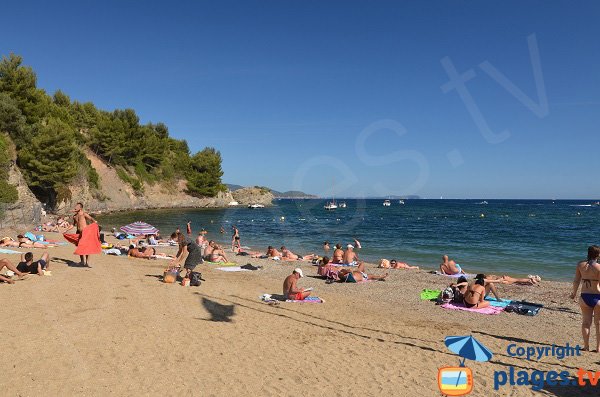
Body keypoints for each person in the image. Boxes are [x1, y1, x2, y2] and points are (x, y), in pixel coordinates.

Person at [570, 245, 600, 352]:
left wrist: (573, 293)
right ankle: (598, 348)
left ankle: (586, 346)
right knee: (598, 323)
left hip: (584, 296)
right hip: (597, 296)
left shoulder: (580, 265)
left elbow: (576, 281)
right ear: (598, 254)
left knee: (586, 323)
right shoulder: (599, 267)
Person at [64, 202, 101, 267]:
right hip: (78, 232)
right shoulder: (75, 216)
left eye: (77, 206)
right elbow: (73, 225)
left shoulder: (84, 214)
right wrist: (66, 230)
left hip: (85, 232)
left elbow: (90, 218)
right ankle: (82, 261)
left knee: (87, 247)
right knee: (80, 246)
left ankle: (87, 262)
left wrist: (94, 222)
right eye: (76, 206)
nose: (76, 207)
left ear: (80, 208)